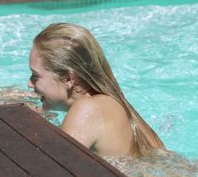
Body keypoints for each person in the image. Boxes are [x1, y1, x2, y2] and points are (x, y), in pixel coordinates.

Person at [28, 23, 166, 157]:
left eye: (35, 76)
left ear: (68, 79)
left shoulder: (87, 109)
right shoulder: (112, 102)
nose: (29, 84)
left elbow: (51, 168)